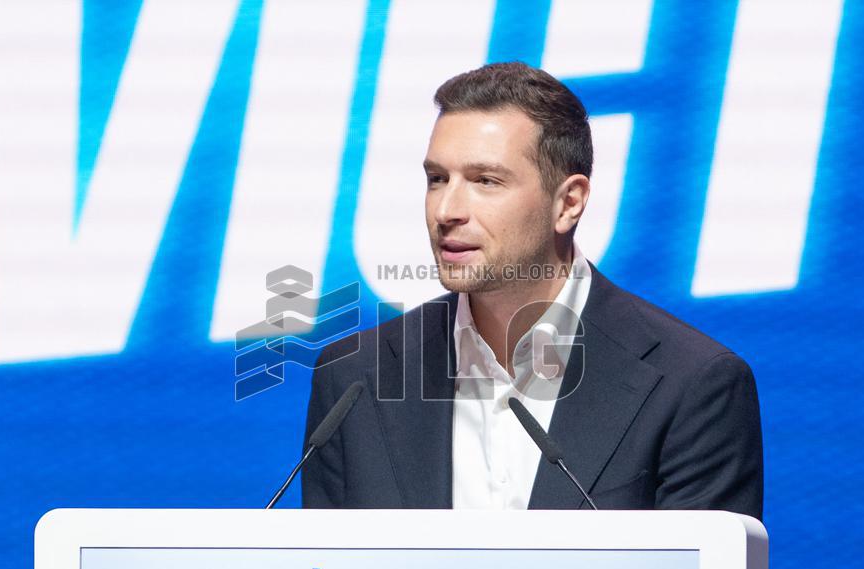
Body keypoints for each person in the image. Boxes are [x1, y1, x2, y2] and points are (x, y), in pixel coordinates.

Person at [301, 62, 763, 519]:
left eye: (486, 181)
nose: (446, 209)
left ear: (568, 203)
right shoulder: (354, 380)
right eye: (437, 179)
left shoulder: (692, 385)